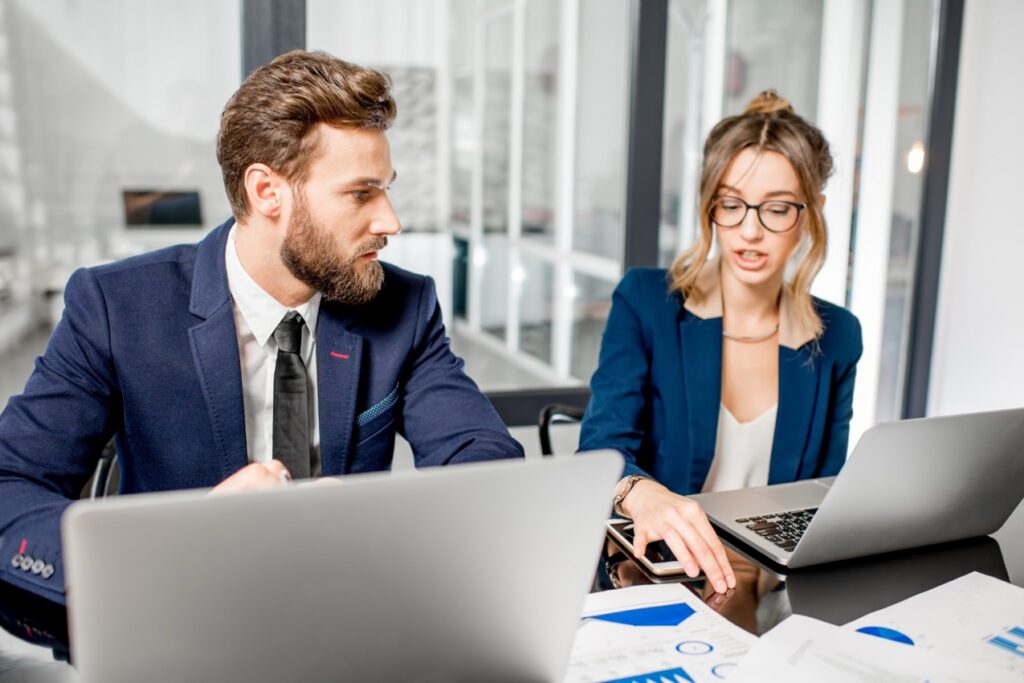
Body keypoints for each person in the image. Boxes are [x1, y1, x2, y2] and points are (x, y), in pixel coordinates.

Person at [0, 50, 523, 604]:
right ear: (267, 191)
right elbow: (11, 487)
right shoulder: (117, 306)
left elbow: (481, 458)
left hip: (348, 615)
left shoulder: (404, 305)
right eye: (361, 193)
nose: (390, 221)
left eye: (386, 188)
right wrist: (177, 547)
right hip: (178, 616)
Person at [580, 90, 862, 595]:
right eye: (731, 205)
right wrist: (640, 494)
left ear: (812, 211)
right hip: (663, 577)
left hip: (775, 588)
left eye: (776, 209)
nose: (749, 231)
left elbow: (827, 492)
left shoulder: (838, 335)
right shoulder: (647, 301)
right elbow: (602, 445)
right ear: (710, 205)